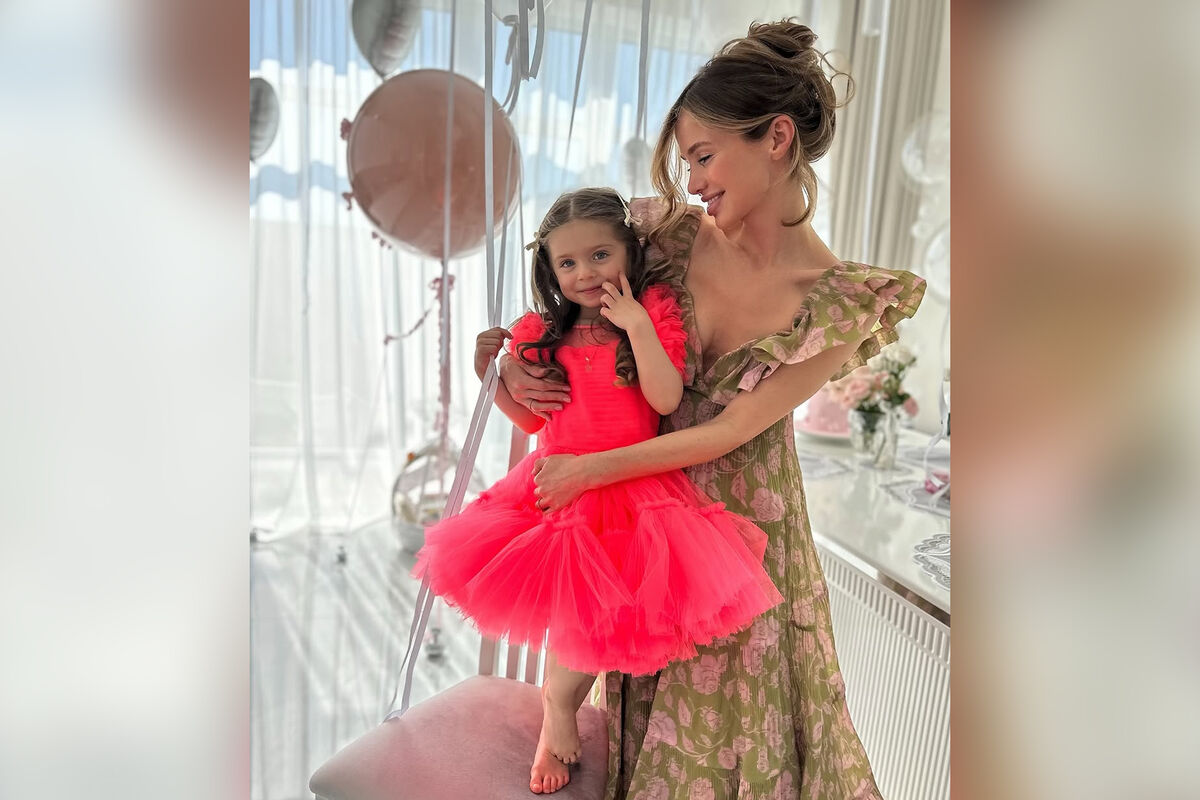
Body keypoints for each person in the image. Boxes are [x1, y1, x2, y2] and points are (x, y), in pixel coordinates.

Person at [499, 21, 927, 800]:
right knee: (647, 744)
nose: (692, 181)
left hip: (747, 546)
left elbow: (729, 430)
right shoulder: (665, 238)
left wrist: (589, 471)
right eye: (686, 162)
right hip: (645, 530)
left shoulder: (837, 302)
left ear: (777, 138)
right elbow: (572, 309)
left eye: (703, 156)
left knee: (726, 757)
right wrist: (504, 364)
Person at [412, 187, 783, 795]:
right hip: (554, 485)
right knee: (577, 613)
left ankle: (557, 706)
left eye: (600, 255)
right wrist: (489, 375)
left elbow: (664, 398)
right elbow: (531, 420)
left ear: (629, 255)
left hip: (630, 485)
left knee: (605, 617)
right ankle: (558, 709)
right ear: (550, 270)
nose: (585, 273)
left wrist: (636, 325)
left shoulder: (651, 319)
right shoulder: (542, 333)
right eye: (568, 262)